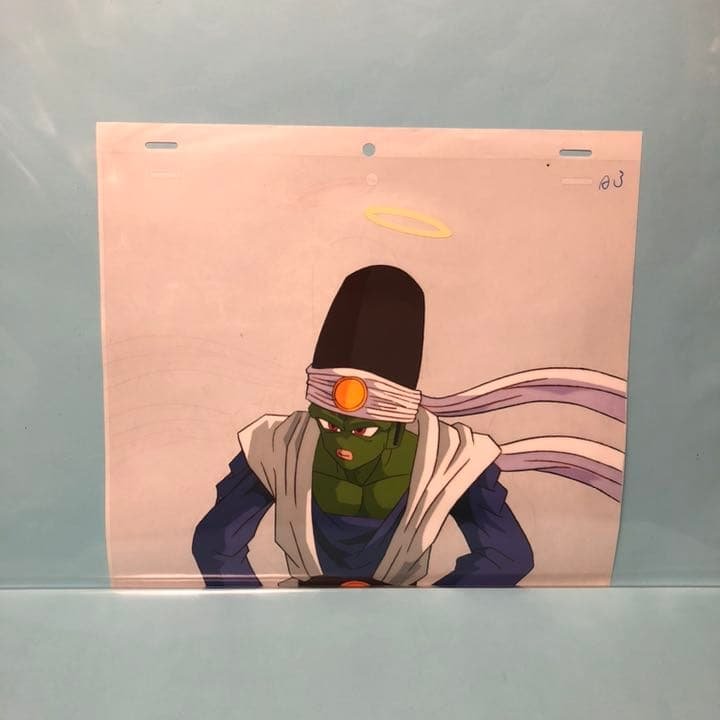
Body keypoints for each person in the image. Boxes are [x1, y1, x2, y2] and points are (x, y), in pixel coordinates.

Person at [192, 265, 625, 587]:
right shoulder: (276, 445)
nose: (341, 441)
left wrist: (428, 613)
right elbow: (214, 543)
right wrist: (257, 618)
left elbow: (508, 556)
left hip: (408, 627)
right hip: (301, 622)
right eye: (328, 423)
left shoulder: (450, 458)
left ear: (399, 423)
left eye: (362, 430)